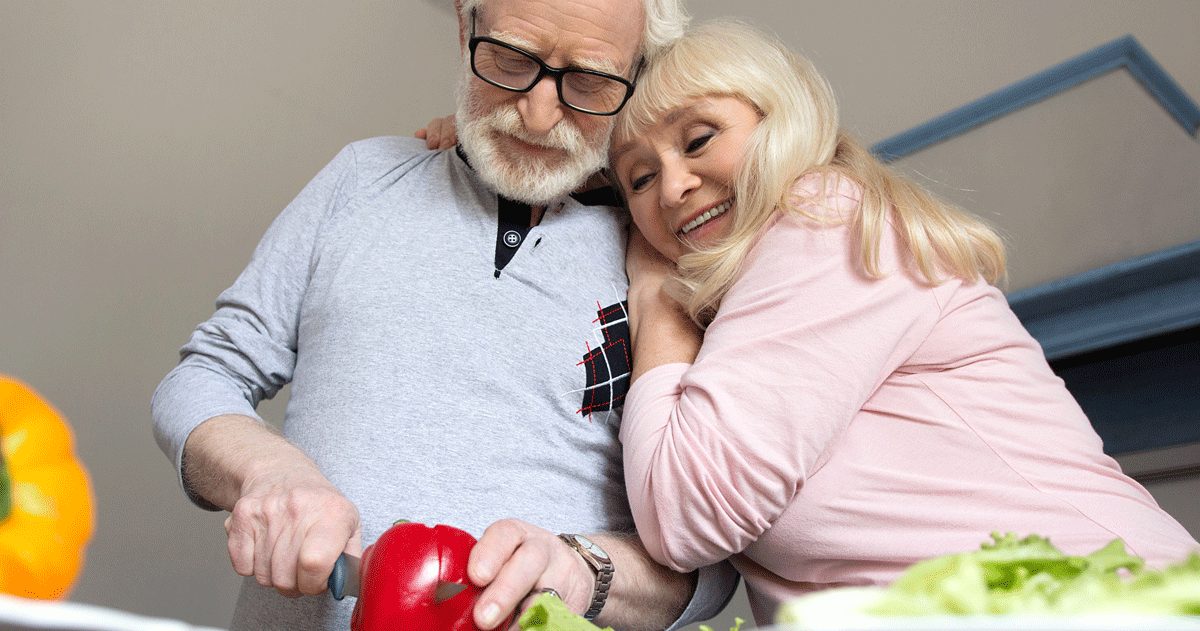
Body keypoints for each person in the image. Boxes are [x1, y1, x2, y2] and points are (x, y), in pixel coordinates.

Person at [151, 1, 739, 630]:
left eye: (589, 80)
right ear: (466, 27)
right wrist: (268, 473)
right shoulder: (360, 179)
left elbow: (713, 560)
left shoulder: (674, 253)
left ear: (637, 75)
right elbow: (204, 375)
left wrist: (582, 570)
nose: (538, 117)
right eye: (510, 60)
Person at [604, 20, 1200, 625]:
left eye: (700, 139)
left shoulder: (824, 220)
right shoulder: (751, 314)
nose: (675, 186)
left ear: (779, 118)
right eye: (640, 179)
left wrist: (656, 304)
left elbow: (683, 516)